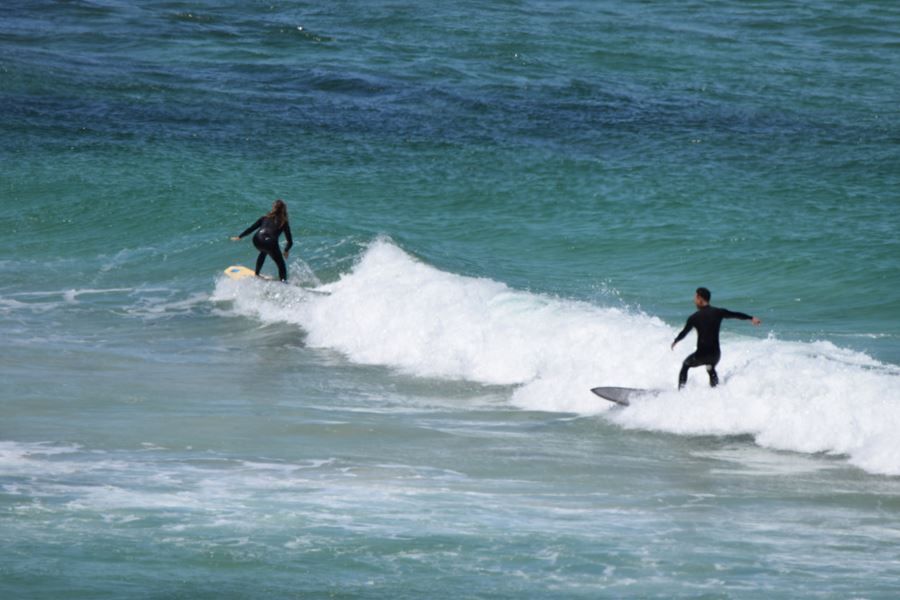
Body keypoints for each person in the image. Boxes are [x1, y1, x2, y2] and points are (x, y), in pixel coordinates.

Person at [671, 287, 761, 389]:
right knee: (710, 368)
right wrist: (751, 318)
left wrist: (676, 341)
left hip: (702, 354)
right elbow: (735, 315)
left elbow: (684, 332)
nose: (694, 301)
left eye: (695, 298)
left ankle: (681, 393)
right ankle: (716, 391)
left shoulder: (694, 317)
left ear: (699, 298)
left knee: (686, 365)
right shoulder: (718, 312)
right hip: (715, 355)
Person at [231, 199, 293, 282]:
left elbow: (251, 228)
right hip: (270, 243)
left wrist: (239, 237)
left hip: (257, 239)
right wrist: (286, 250)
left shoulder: (264, 217)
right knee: (281, 265)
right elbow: (290, 241)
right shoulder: (283, 222)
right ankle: (284, 284)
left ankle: (256, 274)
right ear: (284, 210)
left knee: (264, 251)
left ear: (273, 208)